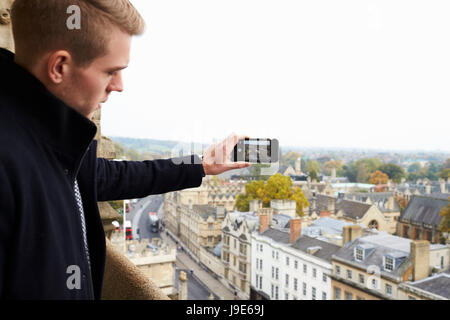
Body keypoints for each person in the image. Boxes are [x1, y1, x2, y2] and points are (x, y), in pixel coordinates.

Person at [0, 0, 250, 299]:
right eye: (111, 71)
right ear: (60, 67)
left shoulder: (49, 141)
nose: (119, 85)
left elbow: (109, 176)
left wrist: (202, 165)